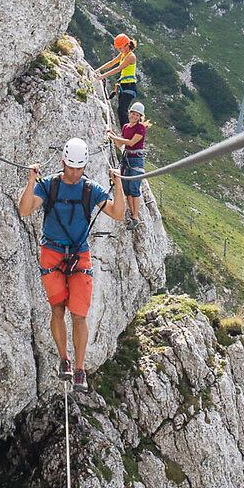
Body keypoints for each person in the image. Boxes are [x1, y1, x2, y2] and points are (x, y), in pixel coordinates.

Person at [18, 136, 129, 391]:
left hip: (79, 255)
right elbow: (25, 210)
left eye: (79, 168)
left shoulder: (90, 189)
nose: (75, 173)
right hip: (52, 252)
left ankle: (80, 370)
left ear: (85, 166)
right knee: (57, 309)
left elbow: (117, 213)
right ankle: (64, 360)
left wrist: (119, 185)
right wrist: (31, 181)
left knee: (79, 314)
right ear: (63, 163)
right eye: (71, 168)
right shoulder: (49, 185)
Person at [109, 101, 150, 228]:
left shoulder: (140, 128)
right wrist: (112, 135)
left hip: (136, 160)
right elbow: (120, 144)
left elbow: (131, 143)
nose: (134, 116)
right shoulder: (126, 127)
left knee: (134, 188)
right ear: (130, 113)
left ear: (140, 117)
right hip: (127, 158)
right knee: (127, 188)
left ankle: (135, 216)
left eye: (137, 115)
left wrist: (114, 137)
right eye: (133, 113)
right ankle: (133, 215)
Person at [96, 33, 140, 126]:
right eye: (118, 48)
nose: (119, 50)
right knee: (121, 111)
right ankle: (126, 130)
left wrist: (103, 76)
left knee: (122, 110)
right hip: (124, 86)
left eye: (120, 48)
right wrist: (98, 70)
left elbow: (118, 68)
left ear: (127, 45)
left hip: (130, 87)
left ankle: (127, 131)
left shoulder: (131, 57)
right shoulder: (123, 54)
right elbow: (112, 63)